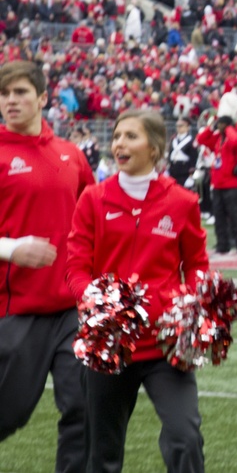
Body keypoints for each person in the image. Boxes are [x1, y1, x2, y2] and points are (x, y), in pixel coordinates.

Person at [66, 109, 209, 472]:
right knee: (102, 451)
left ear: (155, 147)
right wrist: (94, 299)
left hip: (164, 344)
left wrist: (190, 305)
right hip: (108, 342)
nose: (119, 144)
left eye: (131, 136)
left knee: (185, 436)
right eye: (116, 136)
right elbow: (77, 266)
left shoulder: (182, 202)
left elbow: (196, 264)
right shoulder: (93, 199)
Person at [0, 60, 95, 472]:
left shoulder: (70, 155)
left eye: (20, 92)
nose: (10, 101)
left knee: (84, 408)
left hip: (72, 311)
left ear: (42, 98)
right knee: (9, 412)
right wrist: (10, 248)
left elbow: (96, 220)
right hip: (16, 310)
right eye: (4, 94)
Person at [196, 113, 237, 255]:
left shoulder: (236, 136)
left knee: (235, 217)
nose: (218, 126)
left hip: (233, 184)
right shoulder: (218, 139)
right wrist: (211, 128)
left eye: (220, 124)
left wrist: (229, 129)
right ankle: (223, 245)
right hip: (218, 184)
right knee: (218, 217)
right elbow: (201, 140)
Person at [168, 116, 199, 190]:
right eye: (177, 126)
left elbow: (194, 157)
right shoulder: (174, 139)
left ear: (187, 127)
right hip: (173, 169)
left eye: (181, 126)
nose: (178, 128)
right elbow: (170, 153)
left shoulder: (191, 140)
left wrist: (191, 174)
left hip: (184, 170)